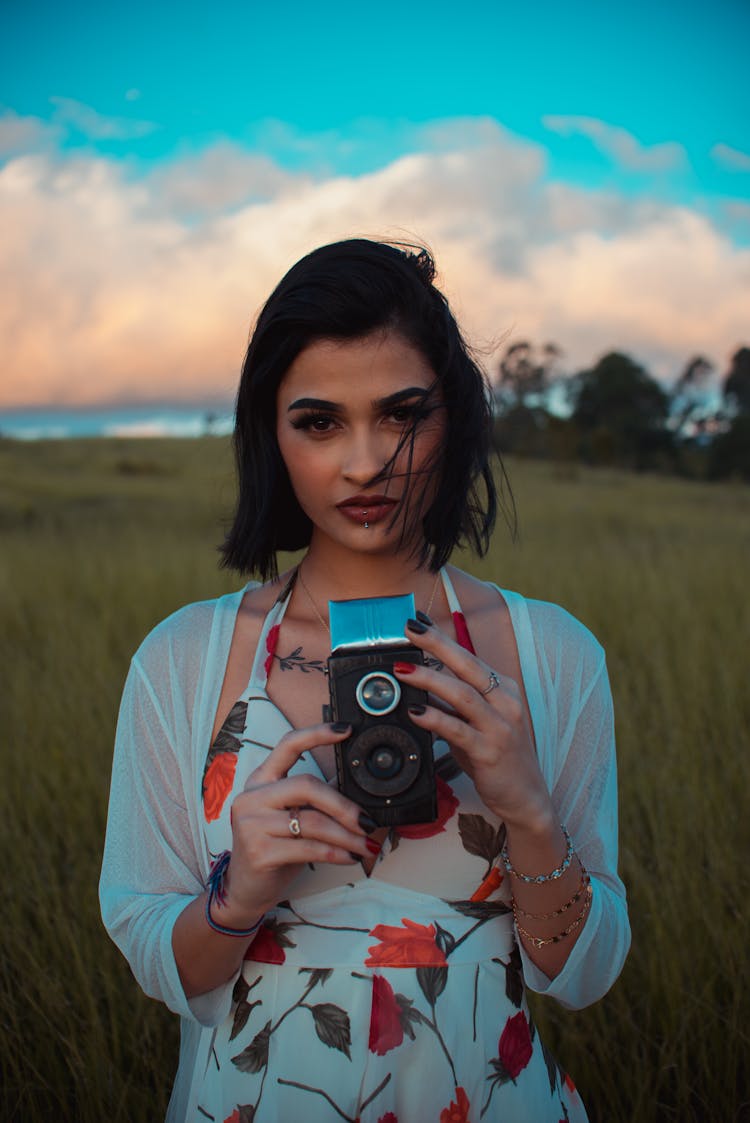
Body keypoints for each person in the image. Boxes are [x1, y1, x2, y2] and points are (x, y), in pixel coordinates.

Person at [100, 239, 630, 1123]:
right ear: (271, 431)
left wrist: (531, 814)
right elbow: (164, 965)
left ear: (452, 416)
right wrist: (240, 894)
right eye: (319, 422)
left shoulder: (551, 653)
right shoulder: (184, 660)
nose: (365, 463)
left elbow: (582, 974)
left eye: (402, 414)